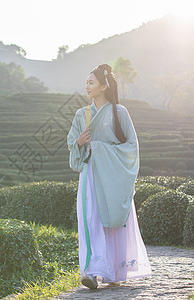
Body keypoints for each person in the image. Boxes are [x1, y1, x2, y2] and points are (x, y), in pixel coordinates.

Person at [67, 64, 152, 289]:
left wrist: (101, 148)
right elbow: (72, 144)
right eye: (86, 82)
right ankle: (93, 272)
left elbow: (131, 146)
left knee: (113, 221)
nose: (87, 86)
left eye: (91, 82)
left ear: (104, 86)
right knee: (91, 219)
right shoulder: (81, 115)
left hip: (113, 176)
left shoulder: (119, 113)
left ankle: (115, 270)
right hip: (91, 175)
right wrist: (80, 144)